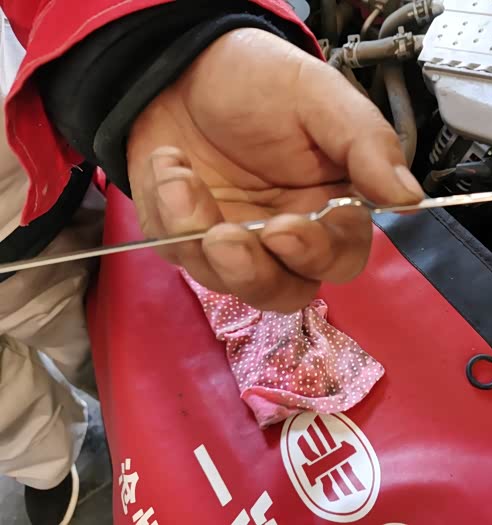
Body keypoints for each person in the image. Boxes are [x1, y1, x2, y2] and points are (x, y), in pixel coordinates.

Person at [0, 1, 424, 523]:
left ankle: (89, 437)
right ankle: (42, 468)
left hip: (32, 213)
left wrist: (156, 47)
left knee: (94, 344)